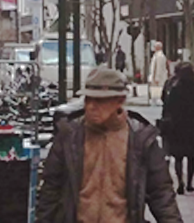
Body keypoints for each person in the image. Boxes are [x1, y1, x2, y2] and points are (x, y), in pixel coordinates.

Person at [35, 67, 183, 223]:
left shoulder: (140, 138)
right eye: (88, 99)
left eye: (99, 100)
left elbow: (161, 194)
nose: (91, 106)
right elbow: (50, 190)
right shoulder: (69, 135)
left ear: (119, 100)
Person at [159, 62, 194, 194]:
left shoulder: (175, 90)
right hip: (192, 127)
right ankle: (189, 183)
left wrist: (165, 121)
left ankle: (180, 182)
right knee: (191, 157)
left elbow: (167, 107)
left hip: (176, 127)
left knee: (178, 157)